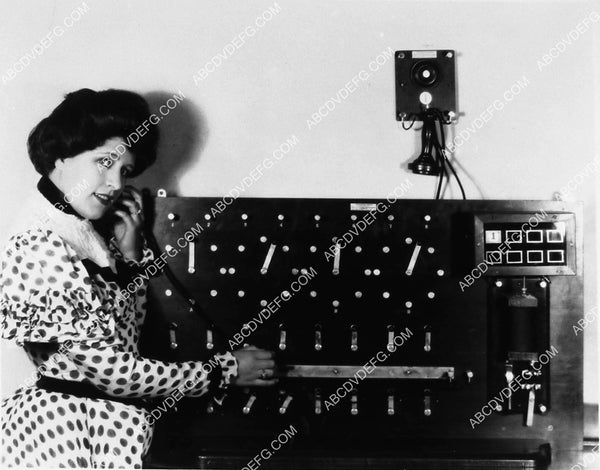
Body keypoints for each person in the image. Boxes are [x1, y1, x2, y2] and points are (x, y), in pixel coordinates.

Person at [0, 88, 277, 468]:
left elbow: (127, 340)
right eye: (103, 161)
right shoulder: (39, 243)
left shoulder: (78, 233)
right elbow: (112, 373)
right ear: (60, 158)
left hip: (97, 431)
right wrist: (225, 370)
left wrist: (129, 258)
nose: (115, 183)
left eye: (124, 170)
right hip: (62, 436)